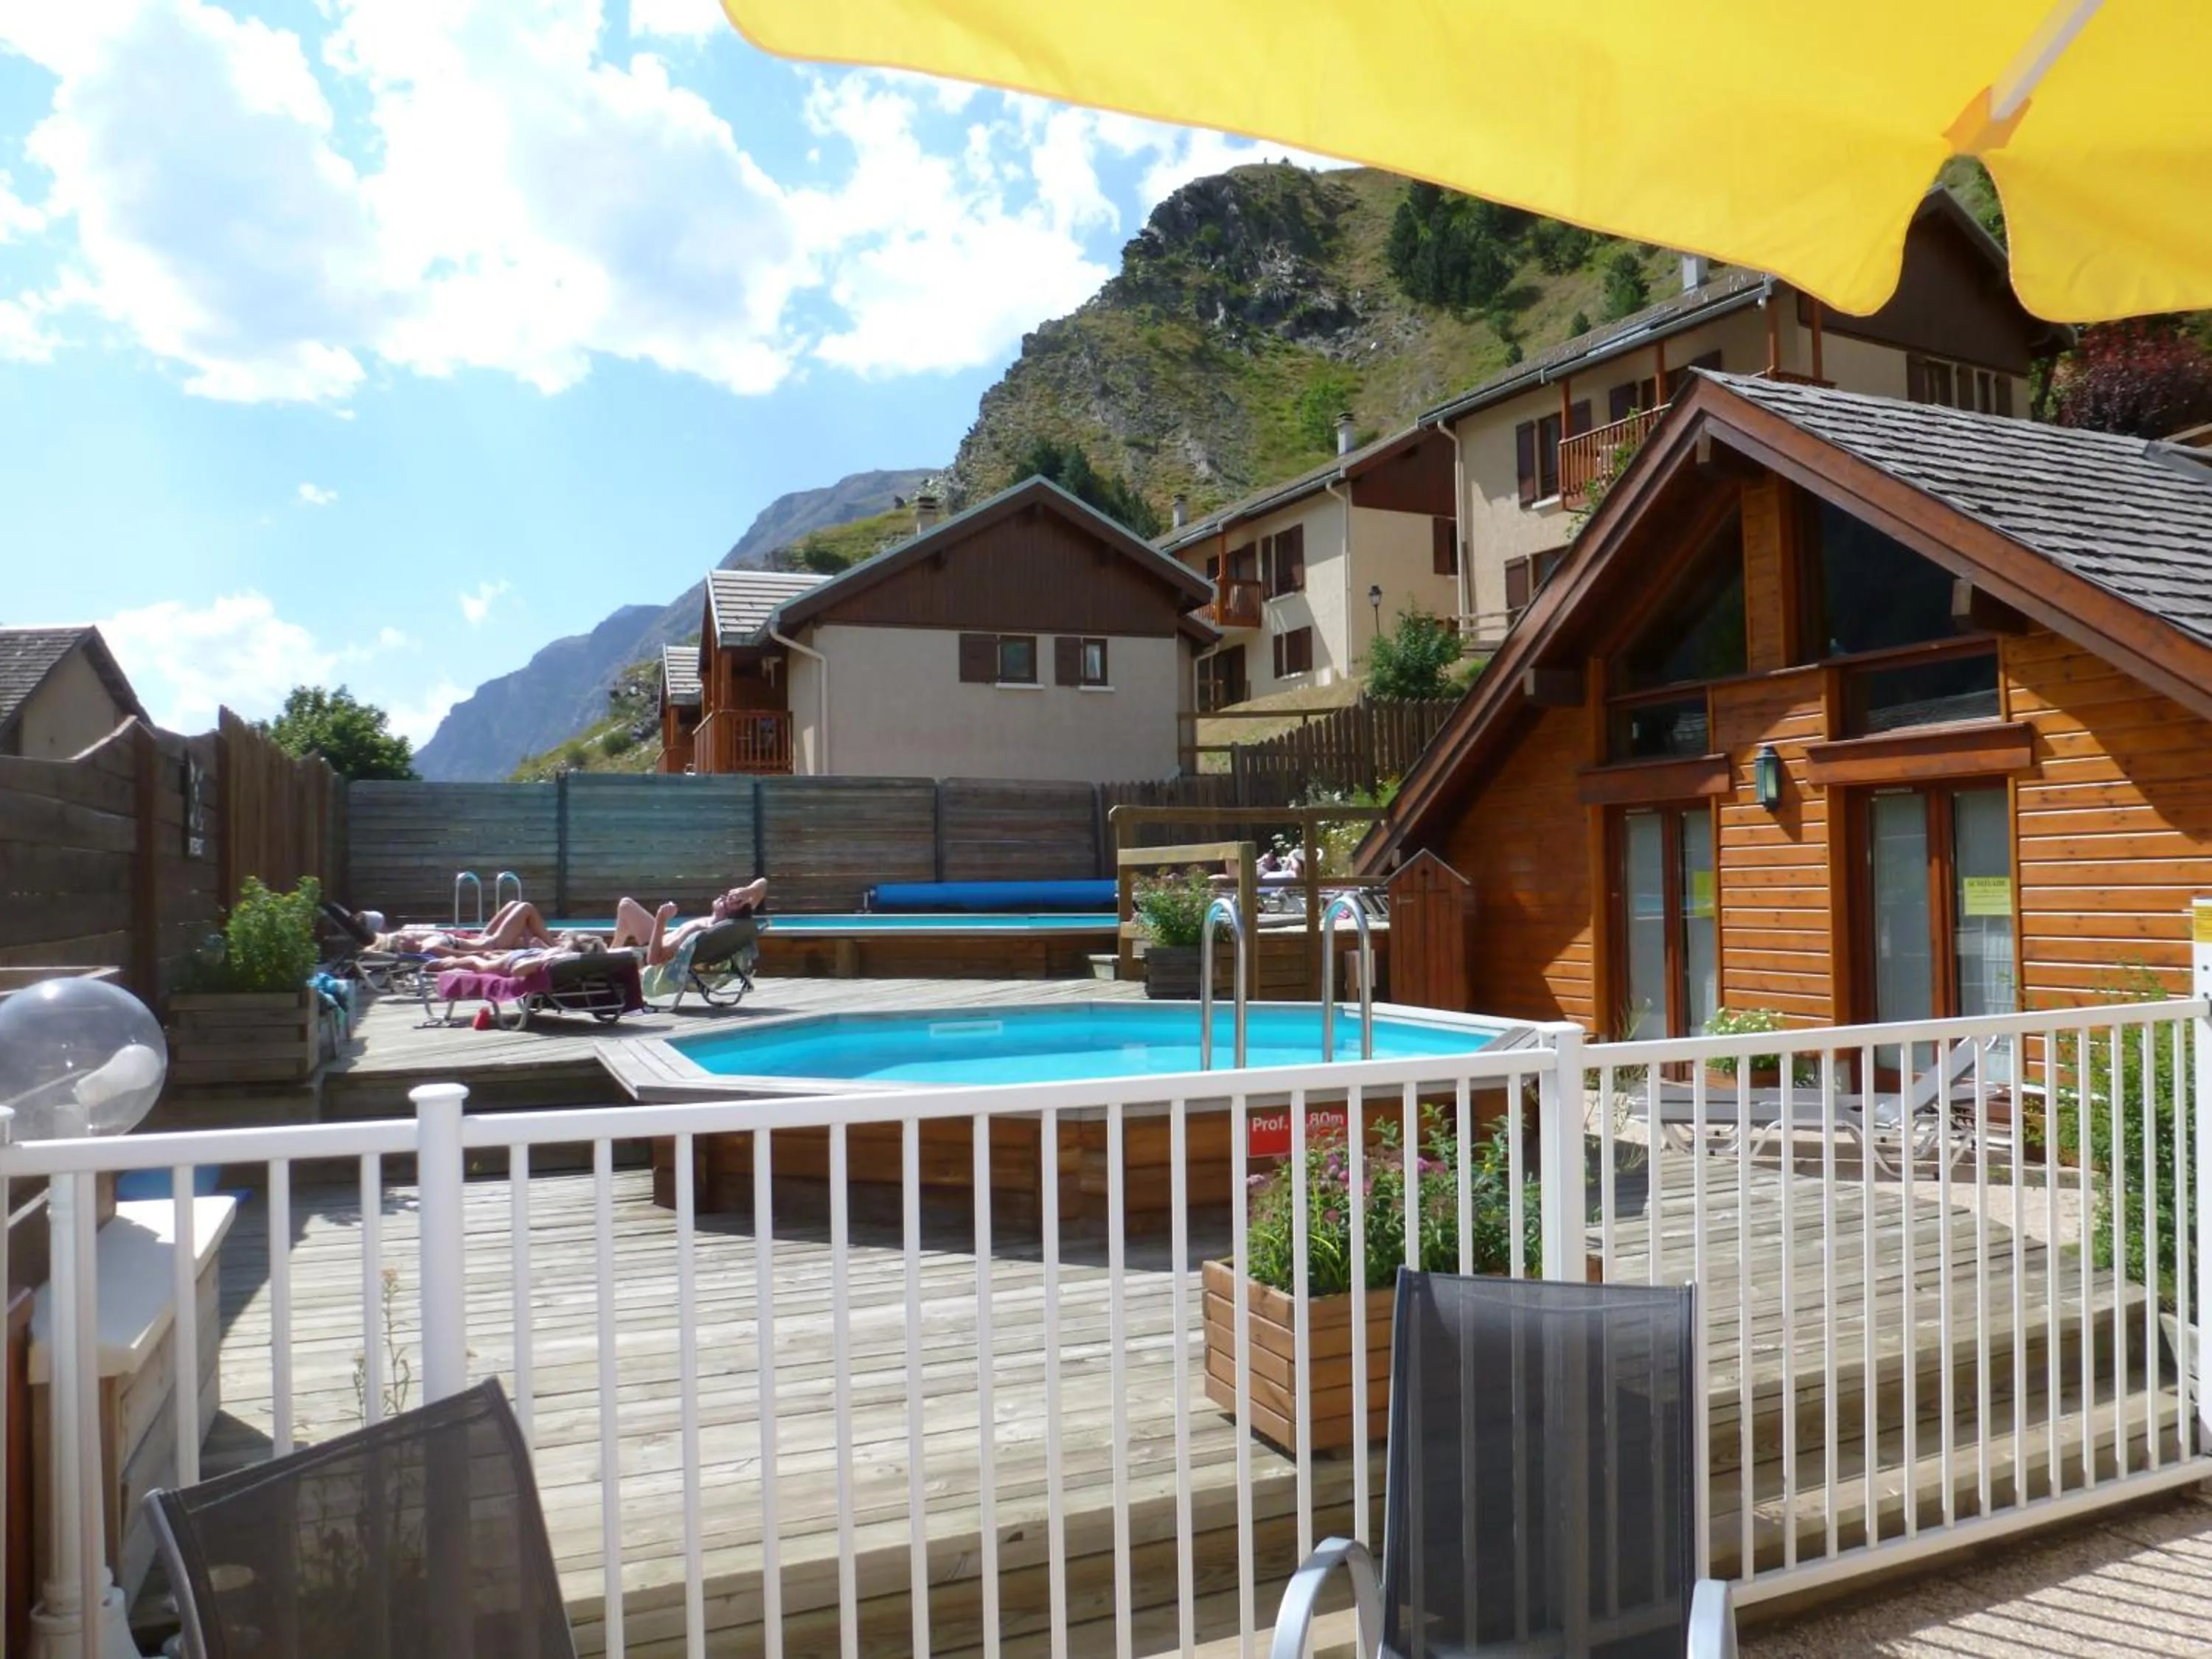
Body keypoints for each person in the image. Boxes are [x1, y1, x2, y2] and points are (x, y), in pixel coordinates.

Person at [611, 879, 769, 967]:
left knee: (609, 957)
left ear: (728, 913)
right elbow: (763, 883)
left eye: (730, 902)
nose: (726, 897)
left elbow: (654, 960)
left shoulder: (699, 930)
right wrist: (748, 891)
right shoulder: (730, 922)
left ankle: (609, 955)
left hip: (650, 950)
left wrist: (661, 919)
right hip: (661, 939)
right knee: (626, 905)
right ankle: (613, 948)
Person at [358, 900, 557, 957]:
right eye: (402, 938)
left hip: (481, 938)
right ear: (403, 946)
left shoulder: (424, 943)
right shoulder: (429, 948)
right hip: (492, 944)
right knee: (525, 908)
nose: (405, 935)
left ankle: (539, 946)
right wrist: (497, 954)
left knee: (514, 904)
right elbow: (468, 955)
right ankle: (556, 948)